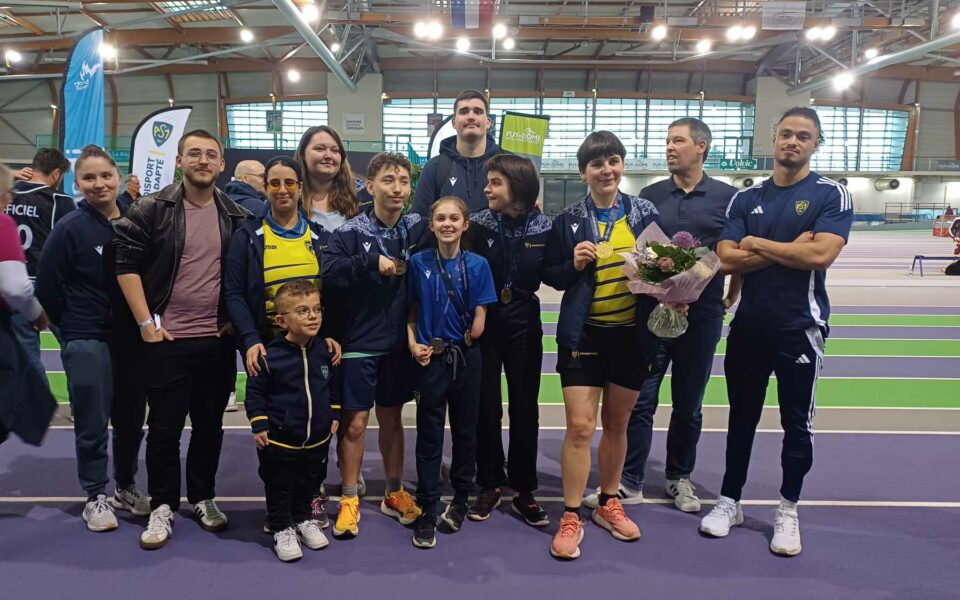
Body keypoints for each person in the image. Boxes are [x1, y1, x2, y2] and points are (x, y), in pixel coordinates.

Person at [699, 106, 853, 557]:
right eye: (786, 133)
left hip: (799, 327)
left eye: (804, 136)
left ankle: (788, 508)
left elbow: (820, 256)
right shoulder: (745, 199)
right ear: (773, 139)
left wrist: (758, 244)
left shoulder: (831, 194)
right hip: (748, 327)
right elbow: (725, 259)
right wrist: (790, 247)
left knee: (796, 427)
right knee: (740, 421)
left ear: (816, 144)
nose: (793, 142)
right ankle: (730, 501)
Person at [584, 118, 740, 513]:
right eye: (667, 141)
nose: (670, 147)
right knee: (641, 400)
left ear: (701, 146)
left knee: (689, 403)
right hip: (651, 315)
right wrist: (660, 288)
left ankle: (678, 477)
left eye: (678, 141)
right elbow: (640, 253)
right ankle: (630, 480)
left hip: (701, 318)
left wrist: (730, 295)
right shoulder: (649, 197)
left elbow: (735, 252)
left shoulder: (727, 197)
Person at [112, 129, 250, 550]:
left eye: (211, 155)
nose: (203, 160)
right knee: (165, 430)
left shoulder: (237, 216)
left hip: (216, 342)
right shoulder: (152, 209)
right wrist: (145, 323)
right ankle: (163, 504)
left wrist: (233, 321)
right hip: (167, 340)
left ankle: (204, 496)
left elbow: (244, 277)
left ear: (222, 164)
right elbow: (125, 265)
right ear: (179, 161)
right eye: (195, 153)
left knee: (210, 428)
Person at [543, 131, 660, 560]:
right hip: (584, 334)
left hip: (632, 334)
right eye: (596, 163)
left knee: (617, 424)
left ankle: (609, 502)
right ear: (583, 172)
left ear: (622, 164)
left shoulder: (644, 211)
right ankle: (572, 513)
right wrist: (572, 264)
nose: (606, 169)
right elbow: (552, 275)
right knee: (579, 426)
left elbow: (664, 269)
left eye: (612, 160)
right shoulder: (569, 218)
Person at [35, 145, 151, 532]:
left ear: (118, 178)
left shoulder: (137, 219)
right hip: (87, 338)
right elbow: (48, 288)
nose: (98, 184)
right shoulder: (69, 227)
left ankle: (126, 486)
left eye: (105, 176)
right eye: (89, 178)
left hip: (132, 340)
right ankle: (94, 495)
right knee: (92, 420)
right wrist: (70, 331)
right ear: (76, 182)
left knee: (133, 418)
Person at [224, 155, 342, 527]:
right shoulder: (248, 236)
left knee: (314, 425)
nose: (282, 190)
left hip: (311, 350)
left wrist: (332, 333)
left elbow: (334, 291)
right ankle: (278, 515)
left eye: (289, 182)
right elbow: (235, 293)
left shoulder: (320, 238)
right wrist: (249, 340)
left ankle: (307, 507)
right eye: (274, 183)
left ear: (300, 188)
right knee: (276, 439)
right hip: (270, 351)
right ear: (265, 188)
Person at [322, 153, 427, 539]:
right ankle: (350, 497)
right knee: (355, 423)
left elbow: (456, 225)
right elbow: (328, 271)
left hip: (398, 344)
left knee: (393, 419)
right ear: (371, 186)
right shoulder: (351, 231)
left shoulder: (418, 227)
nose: (397, 187)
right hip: (360, 343)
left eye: (403, 180)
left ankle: (394, 492)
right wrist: (370, 262)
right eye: (388, 180)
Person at [406, 195, 496, 548]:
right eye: (440, 218)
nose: (447, 224)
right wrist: (413, 344)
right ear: (431, 224)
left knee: (465, 432)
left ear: (465, 223)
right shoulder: (417, 263)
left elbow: (480, 317)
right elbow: (411, 313)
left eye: (454, 218)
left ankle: (460, 498)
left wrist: (471, 333)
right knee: (429, 435)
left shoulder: (478, 265)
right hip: (429, 361)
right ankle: (428, 505)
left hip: (466, 360)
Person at [466, 154, 552, 526]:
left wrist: (580, 262)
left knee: (524, 408)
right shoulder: (478, 224)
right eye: (488, 181)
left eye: (496, 182)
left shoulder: (545, 226)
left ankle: (524, 488)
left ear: (517, 186)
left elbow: (557, 274)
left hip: (524, 323)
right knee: (486, 407)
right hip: (485, 324)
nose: (487, 188)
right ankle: (488, 482)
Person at [246, 280, 340, 562]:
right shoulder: (269, 356)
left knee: (310, 482)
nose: (312, 316)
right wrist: (259, 423)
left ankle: (302, 519)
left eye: (316, 309)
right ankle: (281, 527)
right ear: (281, 320)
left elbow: (331, 385)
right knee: (279, 485)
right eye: (302, 311)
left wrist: (333, 413)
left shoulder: (325, 349)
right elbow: (255, 392)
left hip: (317, 439)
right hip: (279, 440)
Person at [5, 148, 73, 375]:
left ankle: (36, 408)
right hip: (49, 284)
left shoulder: (7, 194)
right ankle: (78, 407)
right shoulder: (60, 200)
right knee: (72, 348)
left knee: (27, 356)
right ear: (56, 174)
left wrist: (12, 174)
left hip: (13, 285)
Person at [0, 162, 52, 446]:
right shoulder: (2, 223)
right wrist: (37, 314)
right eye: (8, 192)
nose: (10, 199)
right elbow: (15, 286)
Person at [411, 89, 503, 215]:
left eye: (478, 111)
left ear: (488, 122)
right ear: (454, 123)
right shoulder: (434, 168)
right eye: (464, 112)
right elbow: (419, 221)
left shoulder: (507, 166)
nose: (471, 117)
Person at [297, 126, 360, 233]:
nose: (328, 155)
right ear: (303, 154)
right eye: (320, 149)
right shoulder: (287, 196)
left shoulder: (360, 196)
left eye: (335, 150)